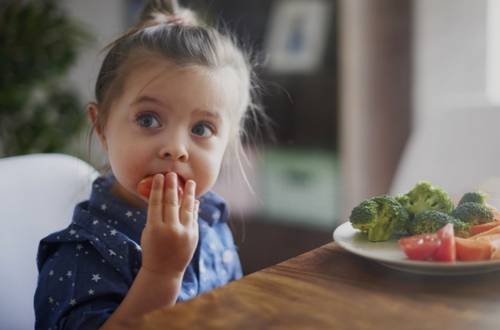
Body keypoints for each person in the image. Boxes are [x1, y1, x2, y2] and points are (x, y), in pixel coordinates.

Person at [34, 0, 266, 328]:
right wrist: (162, 273)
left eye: (202, 129)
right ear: (101, 128)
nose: (175, 149)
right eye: (148, 119)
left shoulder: (212, 221)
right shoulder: (81, 254)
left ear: (227, 145)